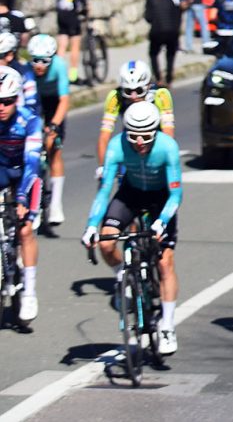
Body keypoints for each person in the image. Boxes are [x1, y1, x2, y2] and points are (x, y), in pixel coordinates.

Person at [83, 101, 183, 355]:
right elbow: (105, 189)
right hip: (131, 193)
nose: (139, 142)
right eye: (133, 136)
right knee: (106, 242)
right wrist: (92, 225)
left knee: (164, 262)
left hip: (161, 197)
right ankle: (122, 276)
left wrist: (161, 222)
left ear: (155, 132)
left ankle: (168, 325)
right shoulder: (117, 145)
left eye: (146, 136)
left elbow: (176, 194)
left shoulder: (167, 147)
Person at [0, 65, 42, 321]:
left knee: (25, 230)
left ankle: (29, 291)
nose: (1, 107)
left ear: (16, 99)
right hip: (2, 170)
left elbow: (33, 163)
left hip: (25, 173)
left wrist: (23, 198)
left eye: (6, 102)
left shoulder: (30, 121)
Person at [98, 60, 175, 169]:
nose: (133, 96)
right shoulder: (115, 97)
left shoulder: (161, 95)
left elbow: (168, 135)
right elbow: (104, 137)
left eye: (139, 90)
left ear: (148, 86)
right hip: (130, 142)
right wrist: (102, 167)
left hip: (155, 142)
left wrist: (167, 162)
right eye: (128, 91)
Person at [28, 33, 69, 225]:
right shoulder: (27, 71)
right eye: (35, 60)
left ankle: (55, 203)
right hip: (36, 103)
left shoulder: (59, 66)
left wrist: (53, 126)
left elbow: (64, 100)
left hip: (54, 103)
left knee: (54, 149)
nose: (39, 65)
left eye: (44, 61)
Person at [52, 0, 87, 84]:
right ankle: (73, 76)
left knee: (62, 45)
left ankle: (58, 74)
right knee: (75, 46)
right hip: (72, 13)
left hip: (61, 13)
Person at [145, 0, 182, 86]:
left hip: (157, 31)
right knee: (170, 55)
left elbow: (148, 17)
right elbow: (176, 13)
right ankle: (169, 78)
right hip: (172, 31)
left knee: (153, 54)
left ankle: (158, 78)